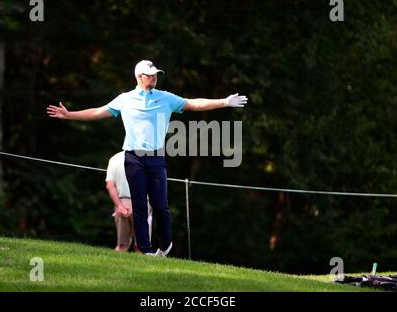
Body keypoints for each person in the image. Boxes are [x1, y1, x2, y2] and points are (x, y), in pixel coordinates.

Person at [47, 60, 248, 256]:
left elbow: (194, 104)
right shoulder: (125, 99)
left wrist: (224, 102)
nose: (154, 78)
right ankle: (146, 250)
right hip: (133, 157)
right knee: (140, 206)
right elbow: (98, 112)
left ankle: (166, 244)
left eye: (155, 75)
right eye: (150, 75)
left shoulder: (165, 98)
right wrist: (70, 114)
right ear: (139, 77)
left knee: (160, 205)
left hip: (155, 157)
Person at [106, 151, 152, 252]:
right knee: (141, 247)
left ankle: (111, 267)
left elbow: (110, 185)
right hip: (142, 203)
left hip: (121, 203)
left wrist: (120, 206)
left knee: (122, 246)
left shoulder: (114, 159)